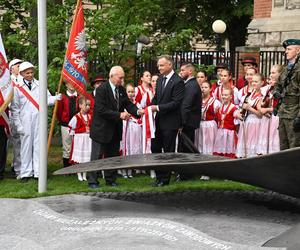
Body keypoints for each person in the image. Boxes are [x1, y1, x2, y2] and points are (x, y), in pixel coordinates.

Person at [87, 66, 144, 188]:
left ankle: (110, 179)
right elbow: (101, 110)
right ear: (111, 76)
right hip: (101, 129)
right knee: (97, 156)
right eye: (120, 77)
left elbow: (128, 104)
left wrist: (138, 112)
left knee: (112, 156)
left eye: (123, 78)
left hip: (115, 129)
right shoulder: (102, 90)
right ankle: (92, 181)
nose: (122, 80)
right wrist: (119, 115)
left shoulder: (121, 90)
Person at [10, 61, 61, 182]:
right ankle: (25, 173)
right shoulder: (17, 88)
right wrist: (19, 126)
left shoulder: (40, 84)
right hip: (25, 120)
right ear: (21, 73)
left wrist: (55, 98)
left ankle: (38, 172)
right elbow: (15, 109)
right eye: (27, 73)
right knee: (26, 147)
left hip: (39, 118)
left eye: (32, 72)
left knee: (39, 145)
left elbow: (46, 99)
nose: (30, 74)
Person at [149, 55, 185, 186]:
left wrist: (157, 107)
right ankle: (158, 177)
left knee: (168, 151)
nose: (159, 68)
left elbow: (176, 103)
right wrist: (147, 108)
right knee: (155, 148)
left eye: (162, 65)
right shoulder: (159, 80)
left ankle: (165, 179)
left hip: (170, 122)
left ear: (170, 65)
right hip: (158, 121)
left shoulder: (177, 81)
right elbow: (157, 98)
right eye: (158, 65)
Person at [273, 39, 300, 150]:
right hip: (283, 112)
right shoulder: (286, 68)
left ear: (298, 50)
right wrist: (276, 92)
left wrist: (299, 116)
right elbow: (278, 84)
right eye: (286, 49)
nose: (286, 52)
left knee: (294, 147)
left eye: (289, 49)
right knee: (283, 146)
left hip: (294, 113)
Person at [176, 63, 201, 181]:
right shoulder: (190, 84)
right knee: (184, 148)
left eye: (183, 70)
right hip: (189, 122)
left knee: (186, 148)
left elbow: (186, 106)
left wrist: (181, 123)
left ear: (190, 71)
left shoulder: (191, 85)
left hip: (188, 123)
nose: (180, 72)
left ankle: (186, 175)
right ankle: (184, 174)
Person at [257, 65, 283, 155]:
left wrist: (267, 109)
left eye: (273, 73)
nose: (271, 75)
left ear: (280, 74)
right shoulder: (268, 88)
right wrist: (261, 108)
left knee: (274, 140)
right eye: (270, 72)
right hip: (267, 118)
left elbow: (281, 106)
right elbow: (260, 102)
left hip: (276, 118)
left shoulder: (282, 88)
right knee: (265, 142)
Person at [236, 73, 263, 158]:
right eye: (253, 81)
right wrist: (239, 113)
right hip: (248, 121)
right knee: (246, 144)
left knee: (254, 143)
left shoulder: (262, 96)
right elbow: (242, 108)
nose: (254, 83)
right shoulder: (249, 95)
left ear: (262, 83)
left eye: (256, 81)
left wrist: (249, 108)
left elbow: (260, 114)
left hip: (257, 122)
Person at [120, 83, 142, 178]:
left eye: (132, 91)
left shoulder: (137, 104)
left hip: (134, 129)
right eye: (128, 92)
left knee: (132, 147)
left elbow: (140, 116)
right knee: (125, 147)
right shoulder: (122, 103)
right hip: (125, 128)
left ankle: (130, 170)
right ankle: (124, 170)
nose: (130, 94)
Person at [213, 88, 242, 158]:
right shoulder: (219, 107)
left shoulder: (233, 108)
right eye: (222, 95)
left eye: (226, 95)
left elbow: (238, 120)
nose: (223, 96)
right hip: (220, 132)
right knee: (220, 150)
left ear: (231, 96)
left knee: (229, 151)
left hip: (230, 133)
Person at [68, 96, 92, 181]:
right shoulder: (76, 117)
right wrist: (80, 131)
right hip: (80, 139)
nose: (88, 107)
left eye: (89, 105)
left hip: (87, 139)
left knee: (86, 157)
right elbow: (71, 127)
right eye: (86, 105)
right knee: (80, 156)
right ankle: (79, 173)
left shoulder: (90, 116)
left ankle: (85, 174)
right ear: (80, 105)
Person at [57, 81, 79, 167]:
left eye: (74, 83)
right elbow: (59, 111)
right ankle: (67, 166)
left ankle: (76, 164)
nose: (72, 85)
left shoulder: (79, 96)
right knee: (67, 146)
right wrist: (62, 120)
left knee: (77, 145)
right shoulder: (62, 97)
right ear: (66, 85)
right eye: (69, 83)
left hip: (78, 125)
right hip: (66, 124)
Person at [8, 58, 22, 177]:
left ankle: (17, 167)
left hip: (22, 116)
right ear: (11, 68)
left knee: (19, 143)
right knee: (6, 144)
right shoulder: (7, 81)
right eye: (17, 65)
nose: (19, 67)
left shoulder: (25, 81)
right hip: (8, 116)